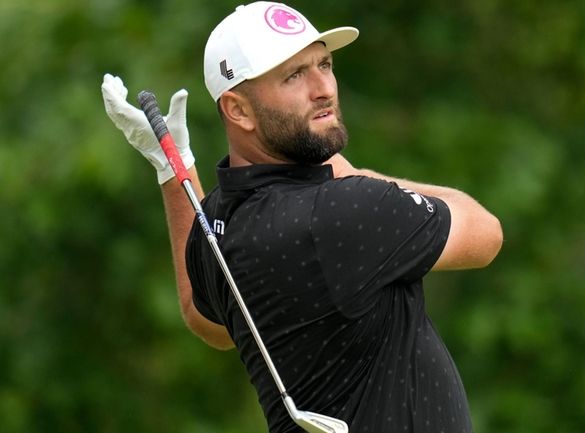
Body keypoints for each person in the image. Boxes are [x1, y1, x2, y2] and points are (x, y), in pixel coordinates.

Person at [101, 2, 503, 432]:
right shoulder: (342, 211)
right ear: (238, 110)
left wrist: (174, 169)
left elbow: (209, 321)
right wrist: (356, 173)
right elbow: (485, 233)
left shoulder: (219, 222)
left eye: (324, 64)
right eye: (294, 75)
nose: (324, 88)